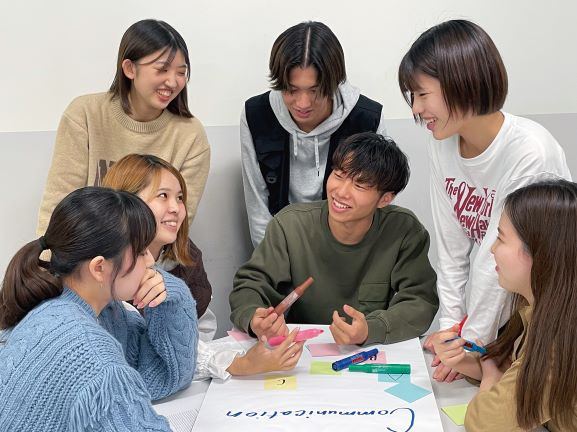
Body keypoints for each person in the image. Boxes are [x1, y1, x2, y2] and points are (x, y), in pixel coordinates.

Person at [398, 19, 571, 381]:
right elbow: (451, 248)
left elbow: (495, 264)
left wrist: (470, 344)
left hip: (542, 313)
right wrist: (450, 330)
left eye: (422, 94)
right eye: (412, 96)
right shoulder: (442, 142)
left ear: (463, 82)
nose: (415, 108)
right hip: (493, 314)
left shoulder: (530, 152)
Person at [0, 187, 197, 431]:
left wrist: (172, 296)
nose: (150, 262)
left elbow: (163, 376)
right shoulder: (89, 351)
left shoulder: (91, 309)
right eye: (141, 251)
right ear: (99, 268)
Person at [103, 154, 304, 378]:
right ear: (127, 202)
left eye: (179, 198)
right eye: (163, 196)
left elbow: (197, 334)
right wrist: (238, 365)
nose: (176, 208)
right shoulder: (105, 270)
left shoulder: (186, 257)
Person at [230, 132, 438, 346]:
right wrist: (253, 316)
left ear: (385, 199)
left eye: (359, 185)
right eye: (338, 175)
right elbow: (251, 283)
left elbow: (420, 300)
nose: (341, 192)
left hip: (367, 355)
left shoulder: (403, 230)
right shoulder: (290, 225)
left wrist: (371, 329)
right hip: (300, 351)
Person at [37, 19, 210, 236]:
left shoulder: (191, 135)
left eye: (181, 72)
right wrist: (50, 263)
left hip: (151, 260)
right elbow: (58, 205)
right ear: (129, 68)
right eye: (162, 69)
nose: (173, 82)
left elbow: (177, 225)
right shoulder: (85, 114)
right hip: (85, 255)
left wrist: (142, 268)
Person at [432, 179, 577, 431]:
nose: (492, 249)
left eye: (500, 238)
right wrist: (463, 363)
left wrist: (490, 379)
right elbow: (509, 367)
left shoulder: (561, 338)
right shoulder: (539, 310)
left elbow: (484, 424)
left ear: (541, 252)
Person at [241, 21, 387, 246]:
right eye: (291, 90)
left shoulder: (367, 119)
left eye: (315, 91)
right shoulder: (256, 114)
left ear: (334, 84)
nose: (303, 103)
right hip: (281, 244)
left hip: (348, 247)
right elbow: (257, 207)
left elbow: (376, 204)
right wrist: (272, 267)